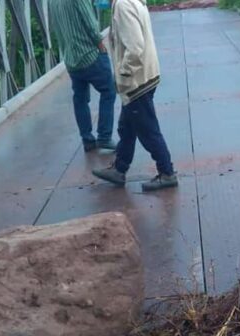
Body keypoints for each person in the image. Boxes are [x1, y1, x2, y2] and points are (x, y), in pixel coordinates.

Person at [91, 0, 177, 192]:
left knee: (148, 130)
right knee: (127, 127)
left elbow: (135, 47)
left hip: (137, 81)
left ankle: (167, 173)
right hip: (146, 75)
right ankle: (119, 169)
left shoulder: (122, 5)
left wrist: (123, 73)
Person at [49, 0, 117, 152]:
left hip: (71, 60)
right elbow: (90, 23)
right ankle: (104, 137)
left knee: (80, 99)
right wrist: (101, 47)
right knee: (109, 91)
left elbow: (57, 30)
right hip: (90, 55)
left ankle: (87, 140)